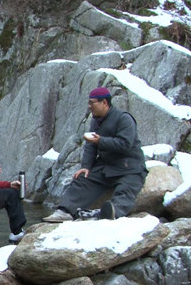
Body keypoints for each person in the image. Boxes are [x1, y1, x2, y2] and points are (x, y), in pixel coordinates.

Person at [43, 87, 147, 222]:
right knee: (82, 180)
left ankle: (112, 212)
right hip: (106, 166)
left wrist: (101, 140)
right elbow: (90, 146)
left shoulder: (124, 119)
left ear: (104, 102)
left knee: (126, 191)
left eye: (92, 103)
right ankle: (65, 211)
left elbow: (125, 144)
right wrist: (86, 166)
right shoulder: (95, 121)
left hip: (129, 167)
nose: (89, 106)